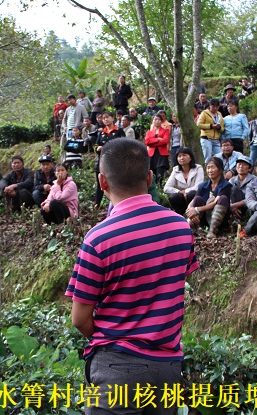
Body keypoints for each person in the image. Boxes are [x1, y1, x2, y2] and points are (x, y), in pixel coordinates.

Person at [66, 138, 198, 415]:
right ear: (150, 177)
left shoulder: (98, 239)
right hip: (167, 370)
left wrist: (114, 338)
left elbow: (79, 319)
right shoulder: (180, 228)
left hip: (116, 369)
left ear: (102, 182)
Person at [186, 157, 232, 239]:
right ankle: (192, 227)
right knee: (197, 199)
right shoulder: (202, 186)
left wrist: (196, 210)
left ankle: (213, 230)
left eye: (213, 167)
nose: (210, 170)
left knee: (223, 198)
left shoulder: (226, 185)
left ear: (220, 169)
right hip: (204, 219)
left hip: (220, 221)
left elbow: (214, 203)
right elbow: (194, 200)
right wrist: (190, 210)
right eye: (208, 168)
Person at [93, 111, 125, 207]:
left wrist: (106, 147)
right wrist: (97, 148)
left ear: (112, 118)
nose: (105, 119)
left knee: (115, 183)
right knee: (100, 184)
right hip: (102, 161)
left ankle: (117, 204)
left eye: (107, 117)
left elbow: (123, 146)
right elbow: (95, 146)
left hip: (114, 162)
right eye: (103, 118)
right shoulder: (101, 133)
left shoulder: (119, 131)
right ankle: (97, 205)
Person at [164, 147, 204, 217]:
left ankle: (195, 216)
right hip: (182, 199)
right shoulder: (175, 170)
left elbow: (199, 186)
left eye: (184, 155)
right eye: (179, 156)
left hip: (194, 196)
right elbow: (166, 188)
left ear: (190, 157)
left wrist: (185, 191)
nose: (182, 158)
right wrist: (179, 192)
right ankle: (181, 216)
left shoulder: (198, 168)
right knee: (174, 197)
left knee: (191, 194)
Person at [145, 115, 170, 187]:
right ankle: (152, 187)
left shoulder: (165, 131)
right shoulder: (149, 132)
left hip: (161, 155)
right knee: (152, 172)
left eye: (159, 119)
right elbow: (147, 142)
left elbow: (165, 141)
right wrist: (158, 139)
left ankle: (160, 187)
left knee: (160, 171)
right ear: (152, 121)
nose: (157, 121)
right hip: (151, 155)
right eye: (155, 119)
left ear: (161, 121)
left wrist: (153, 142)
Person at [229, 156, 256, 224]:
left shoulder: (254, 180)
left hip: (248, 207)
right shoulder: (232, 180)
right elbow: (226, 194)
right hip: (233, 208)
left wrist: (235, 205)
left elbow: (254, 197)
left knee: (235, 189)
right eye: (239, 164)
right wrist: (232, 206)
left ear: (250, 168)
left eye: (244, 164)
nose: (241, 166)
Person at [62, 94, 89, 160]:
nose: (70, 101)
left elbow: (86, 117)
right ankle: (69, 158)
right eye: (68, 100)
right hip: (69, 129)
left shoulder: (81, 107)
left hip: (77, 128)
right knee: (70, 144)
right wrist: (64, 126)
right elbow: (64, 119)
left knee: (77, 143)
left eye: (71, 99)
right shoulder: (68, 109)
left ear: (74, 99)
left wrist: (81, 125)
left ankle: (78, 157)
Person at [197, 98, 224, 163]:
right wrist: (211, 126)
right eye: (213, 106)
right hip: (206, 138)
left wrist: (219, 128)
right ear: (210, 105)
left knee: (220, 156)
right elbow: (199, 124)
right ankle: (206, 169)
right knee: (207, 157)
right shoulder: (204, 113)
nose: (215, 108)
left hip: (216, 139)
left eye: (217, 106)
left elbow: (222, 128)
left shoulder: (219, 114)